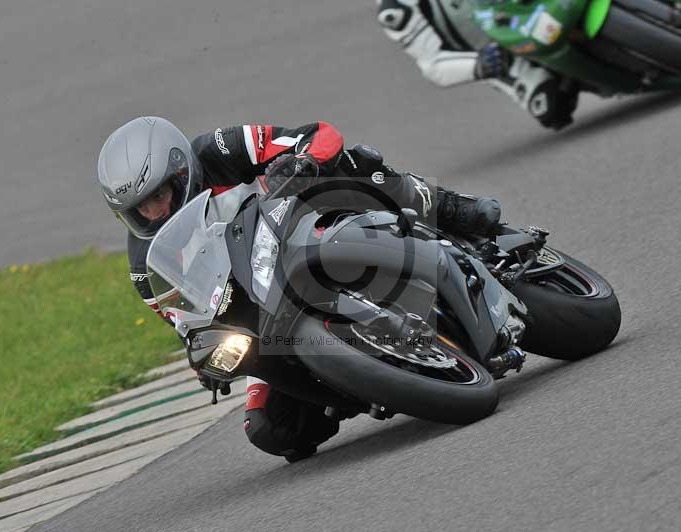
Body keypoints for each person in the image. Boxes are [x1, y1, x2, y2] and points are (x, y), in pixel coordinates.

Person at [97, 116, 503, 460]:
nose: (155, 212)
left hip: (308, 225)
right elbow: (185, 322)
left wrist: (304, 160)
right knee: (269, 429)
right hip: (262, 308)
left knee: (351, 161)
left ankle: (448, 207)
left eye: (160, 195)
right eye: (140, 209)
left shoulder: (221, 149)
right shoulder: (145, 266)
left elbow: (320, 134)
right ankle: (358, 384)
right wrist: (204, 359)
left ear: (182, 170)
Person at [376, 0, 579, 130]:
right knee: (551, 106)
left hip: (530, 7)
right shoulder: (395, 9)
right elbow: (432, 64)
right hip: (505, 56)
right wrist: (480, 64)